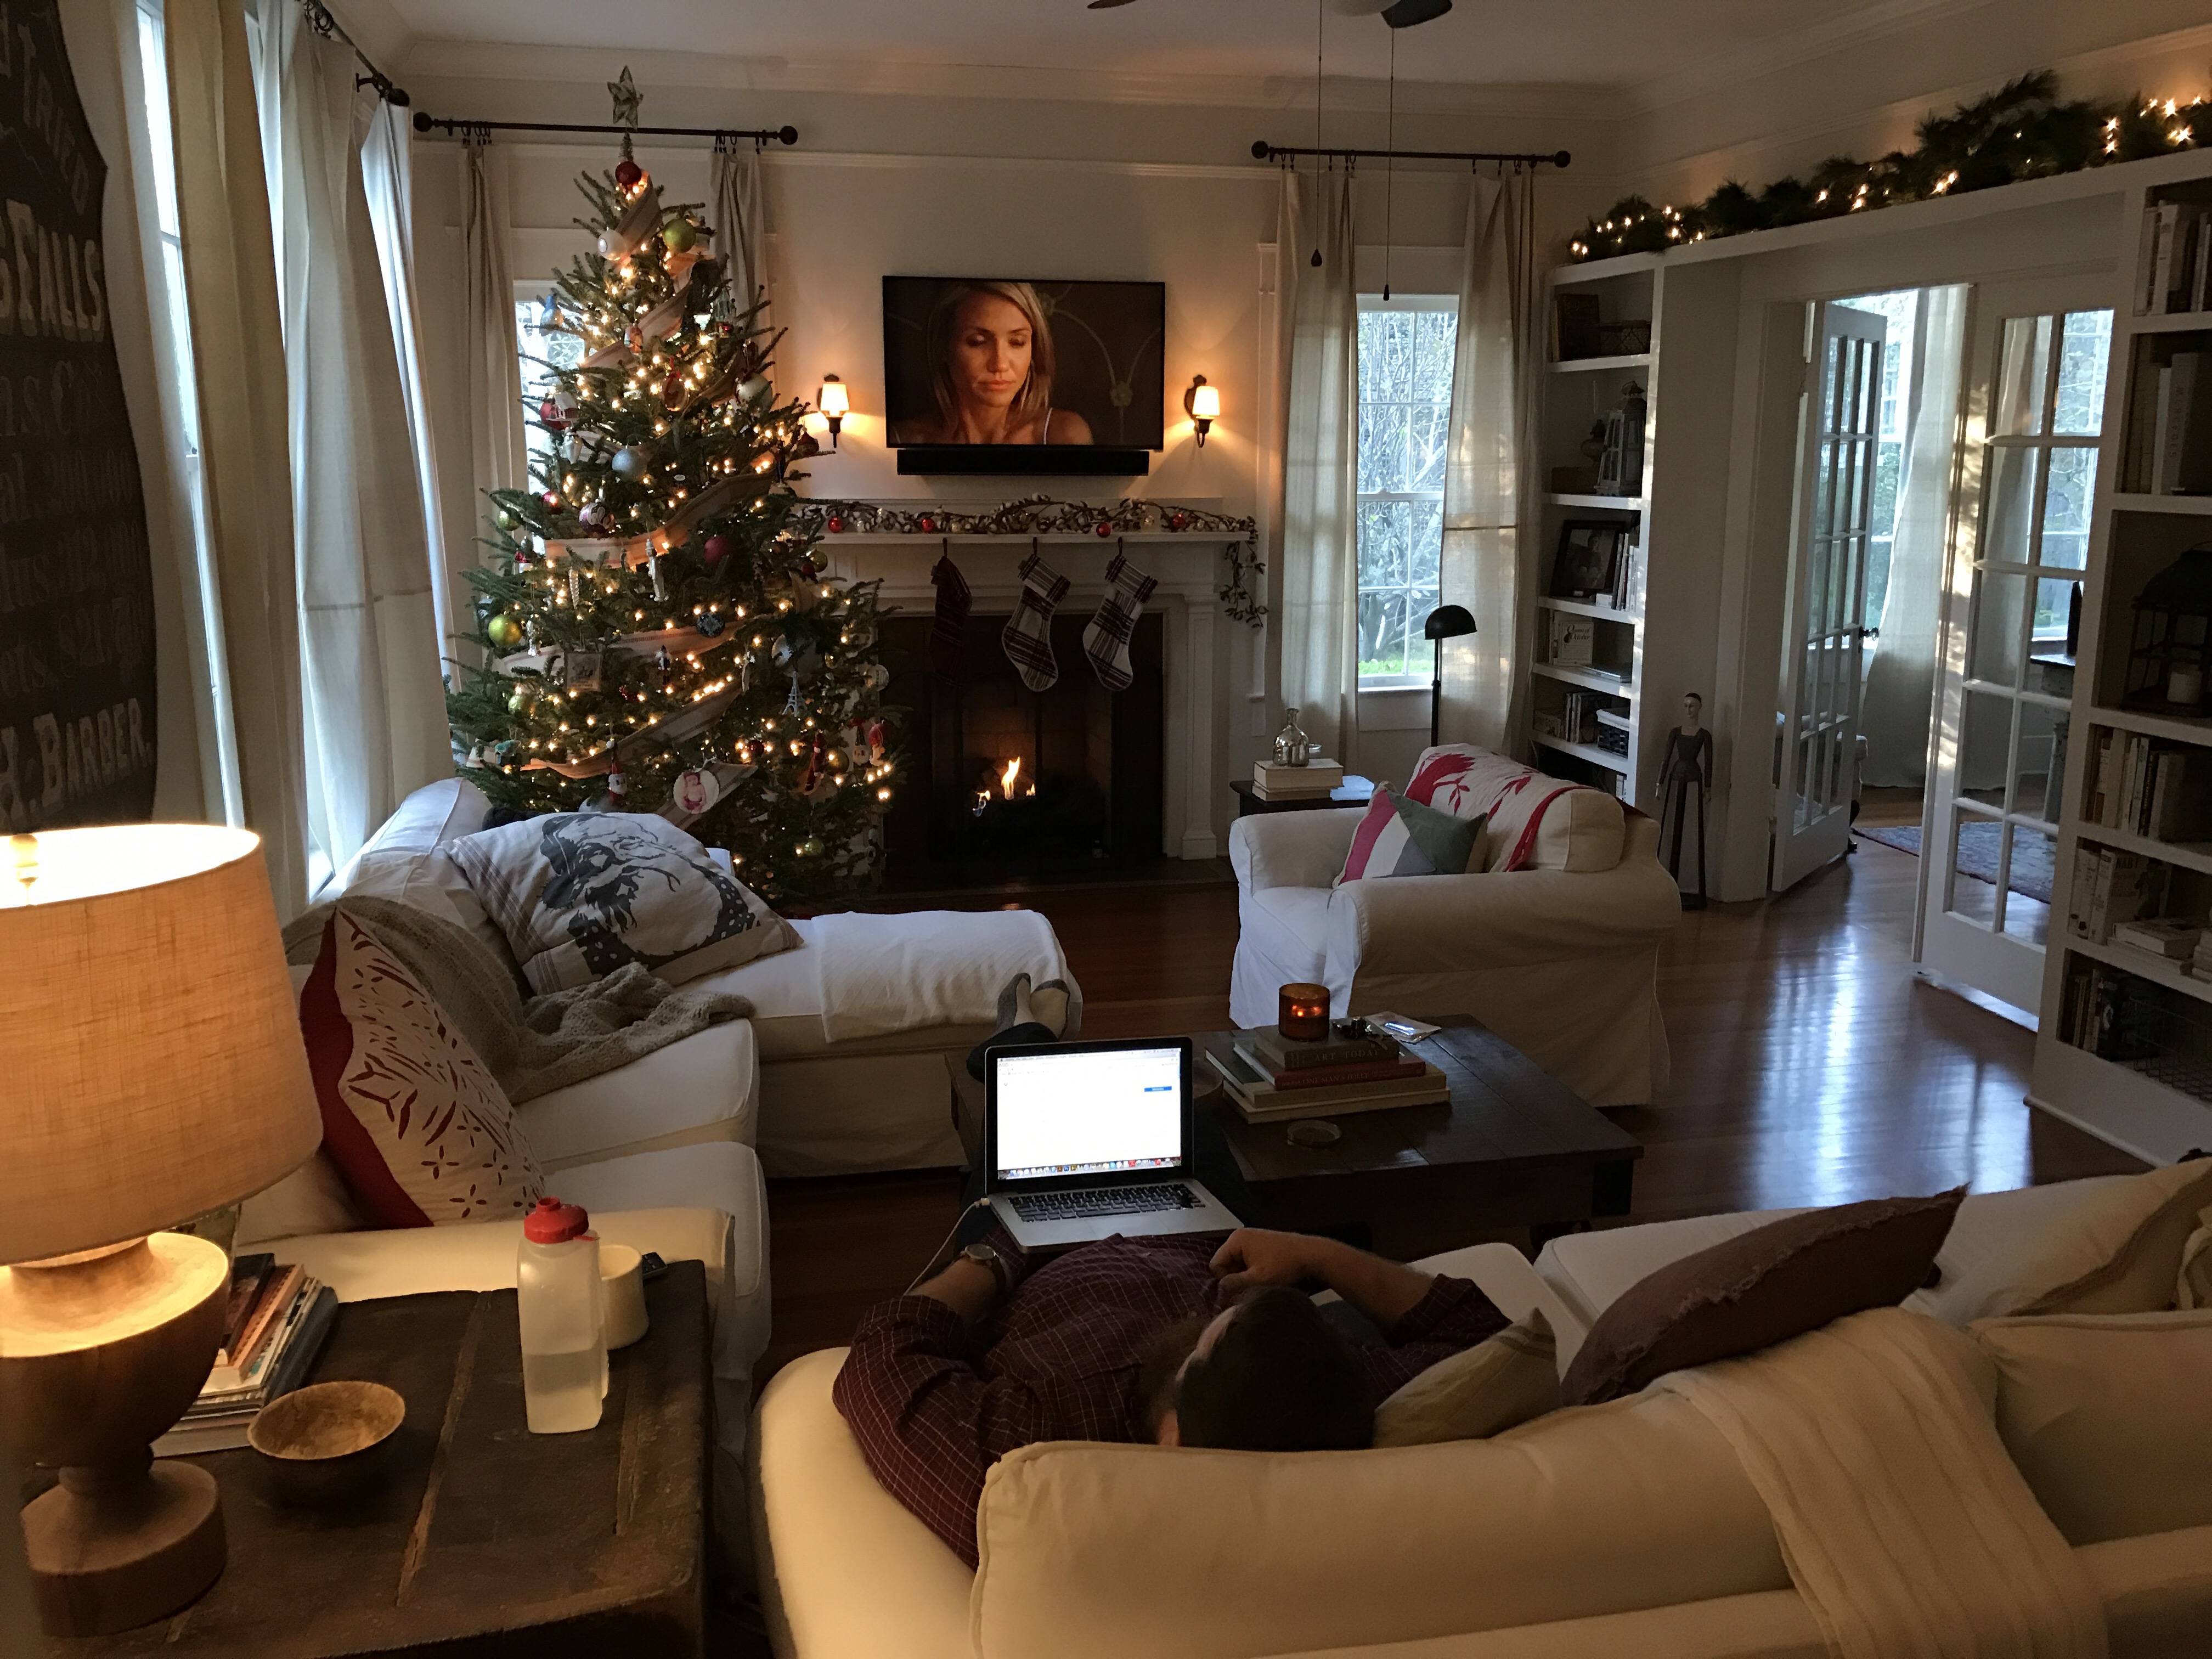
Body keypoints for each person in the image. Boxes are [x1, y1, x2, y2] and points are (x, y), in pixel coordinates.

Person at [832, 1225, 1506, 1565]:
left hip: (1027, 1260)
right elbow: (1479, 1329)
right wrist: (1311, 1253)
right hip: (1201, 1240)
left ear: (1173, 1437)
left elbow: (885, 1349)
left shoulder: (1031, 1453)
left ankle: (1025, 1032)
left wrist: (996, 1255)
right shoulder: (1328, 1399)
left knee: (1013, 1097)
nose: (1212, 1316)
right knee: (1201, 1125)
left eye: (1205, 1341)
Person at [891, 280, 1095, 447]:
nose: (1000, 364)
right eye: (978, 342)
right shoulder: (903, 440)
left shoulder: (1063, 435)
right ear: (944, 347)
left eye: (1017, 342)